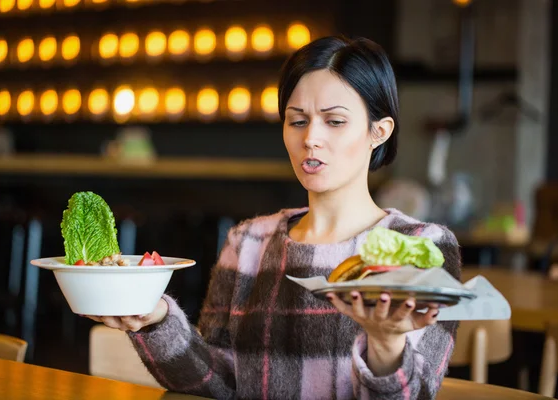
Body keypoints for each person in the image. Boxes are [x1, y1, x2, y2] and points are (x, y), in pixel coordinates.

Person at [85, 35, 461, 400]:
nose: (311, 138)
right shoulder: (248, 242)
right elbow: (216, 383)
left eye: (334, 121)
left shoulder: (424, 246)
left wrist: (385, 345)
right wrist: (157, 319)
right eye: (297, 121)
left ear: (378, 132)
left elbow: (417, 394)